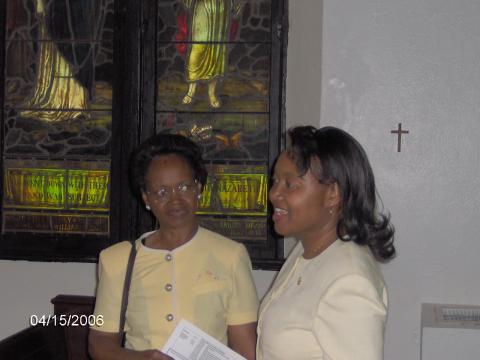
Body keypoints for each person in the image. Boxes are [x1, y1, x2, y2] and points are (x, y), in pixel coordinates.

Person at [89, 133, 259, 360]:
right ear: (146, 198)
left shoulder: (231, 256)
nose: (175, 200)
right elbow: (99, 343)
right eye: (162, 192)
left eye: (183, 187)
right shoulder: (116, 260)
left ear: (199, 188)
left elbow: (246, 351)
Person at [257, 126, 395, 360]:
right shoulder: (308, 249)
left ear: (333, 194)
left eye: (289, 185)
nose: (273, 194)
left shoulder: (350, 281)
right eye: (275, 181)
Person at [180, 0, 242, 108]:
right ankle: (191, 91)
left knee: (216, 52)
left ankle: (212, 93)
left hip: (220, 10)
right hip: (202, 8)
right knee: (197, 49)